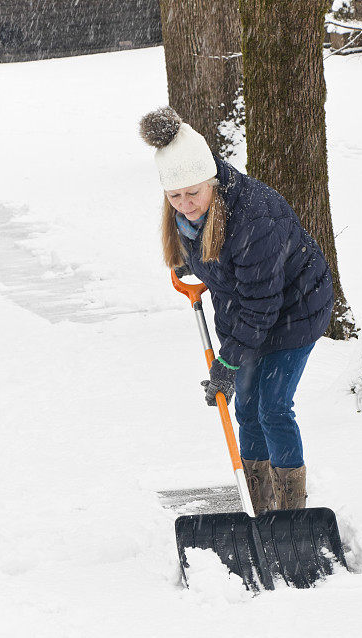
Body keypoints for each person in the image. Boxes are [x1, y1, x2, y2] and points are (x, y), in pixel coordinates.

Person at [139, 107, 333, 513]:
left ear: (212, 180)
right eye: (175, 197)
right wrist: (189, 265)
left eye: (193, 193)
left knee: (273, 406)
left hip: (295, 311)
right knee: (245, 406)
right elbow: (222, 265)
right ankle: (258, 505)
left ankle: (290, 513)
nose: (186, 205)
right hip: (245, 313)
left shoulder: (254, 217)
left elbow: (262, 305)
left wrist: (227, 362)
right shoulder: (189, 217)